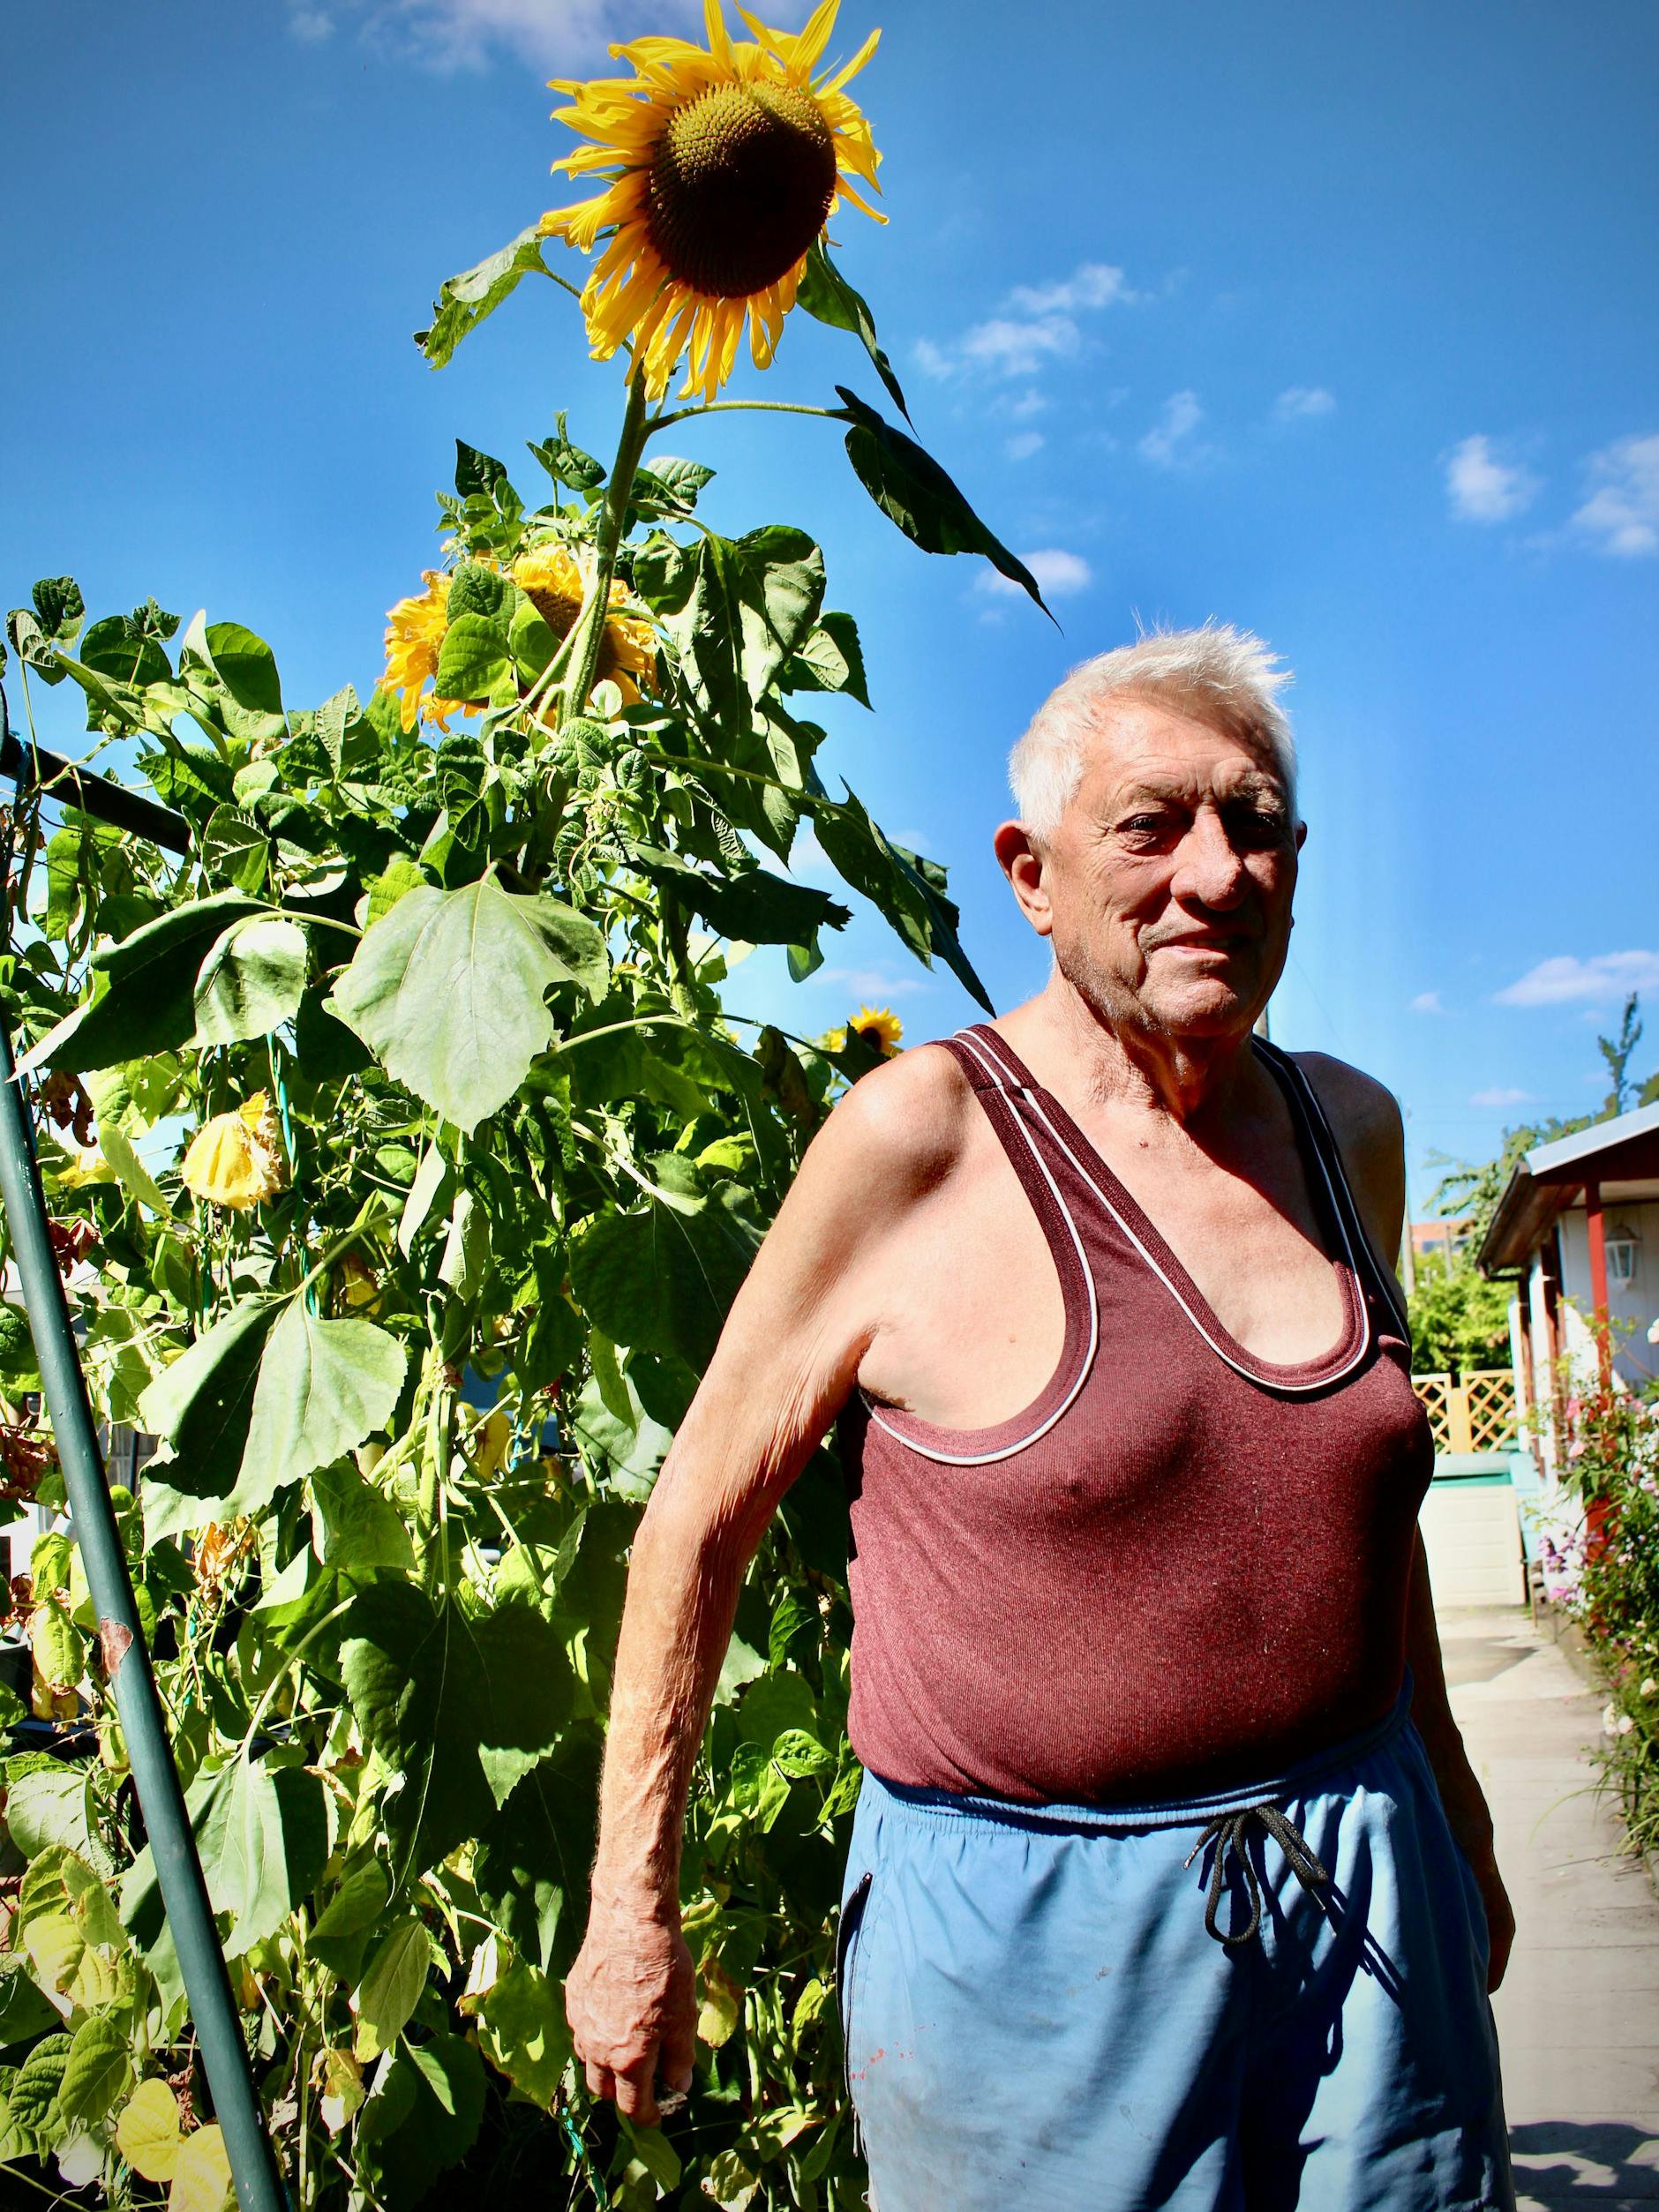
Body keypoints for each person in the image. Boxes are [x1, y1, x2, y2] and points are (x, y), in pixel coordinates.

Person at [566, 626, 1517, 2210]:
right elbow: (696, 1524)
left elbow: (1367, 1517)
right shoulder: (918, 1141)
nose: (1216, 872)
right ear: (1030, 873)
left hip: (1369, 1883)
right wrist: (629, 1913)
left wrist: (1457, 1811)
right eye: (1151, 826)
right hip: (1036, 1949)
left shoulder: (1350, 1127)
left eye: (1256, 823)